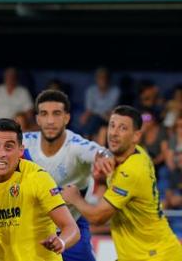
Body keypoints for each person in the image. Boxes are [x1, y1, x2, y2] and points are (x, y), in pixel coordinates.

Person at [62, 105, 182, 261]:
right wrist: (101, 178)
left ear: (136, 136)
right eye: (112, 126)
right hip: (137, 254)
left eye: (123, 128)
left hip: (154, 256)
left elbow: (98, 217)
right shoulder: (136, 152)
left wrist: (75, 198)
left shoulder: (132, 172)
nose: (114, 133)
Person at [0, 118, 80, 261]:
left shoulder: (38, 178)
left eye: (8, 147)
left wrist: (61, 241)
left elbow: (72, 228)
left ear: (21, 150)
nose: (1, 153)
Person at [23, 90, 113, 261]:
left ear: (67, 118)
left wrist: (105, 158)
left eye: (56, 114)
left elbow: (100, 152)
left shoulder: (76, 146)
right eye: (44, 114)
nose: (50, 121)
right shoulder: (24, 143)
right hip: (31, 229)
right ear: (37, 119)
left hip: (73, 230)